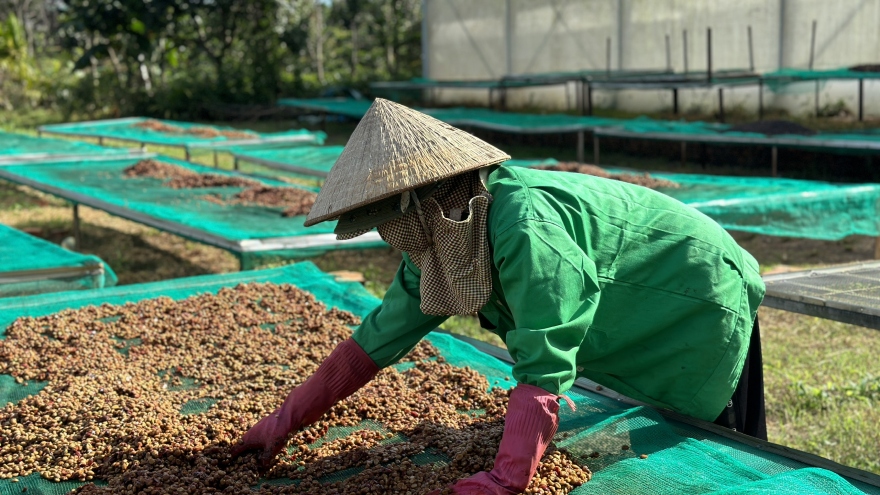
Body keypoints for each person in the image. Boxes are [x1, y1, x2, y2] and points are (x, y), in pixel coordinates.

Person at [230, 99, 766, 494]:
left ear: (423, 200)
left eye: (391, 219)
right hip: (635, 305)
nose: (391, 237)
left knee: (714, 456)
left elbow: (546, 350)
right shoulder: (442, 246)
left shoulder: (524, 224)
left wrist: (508, 478)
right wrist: (284, 420)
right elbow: (378, 338)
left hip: (694, 293)